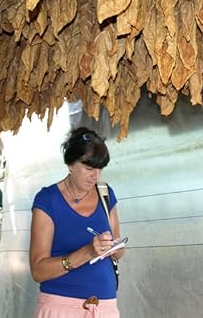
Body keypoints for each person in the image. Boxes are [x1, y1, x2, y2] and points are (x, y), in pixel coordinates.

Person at [30, 127, 125, 317]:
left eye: (100, 168)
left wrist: (114, 248)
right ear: (70, 164)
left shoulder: (106, 194)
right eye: (89, 168)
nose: (95, 176)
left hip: (105, 306)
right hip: (61, 306)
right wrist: (87, 252)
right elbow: (38, 271)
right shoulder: (48, 200)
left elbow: (118, 250)